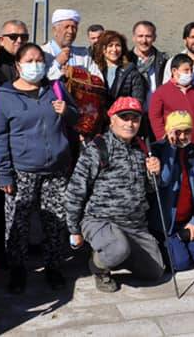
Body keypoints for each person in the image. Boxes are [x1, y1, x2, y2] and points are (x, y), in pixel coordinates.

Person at [0, 43, 78, 293]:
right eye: (29, 61)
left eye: (39, 60)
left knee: (56, 221)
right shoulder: (4, 97)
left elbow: (76, 118)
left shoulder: (55, 88)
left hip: (56, 169)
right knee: (18, 223)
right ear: (18, 65)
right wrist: (3, 173)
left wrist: (67, 111)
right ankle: (18, 270)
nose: (35, 65)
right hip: (22, 171)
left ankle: (54, 267)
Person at [66, 97, 165, 293]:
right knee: (117, 249)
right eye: (124, 118)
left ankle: (116, 253)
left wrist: (154, 174)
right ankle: (99, 266)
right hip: (100, 220)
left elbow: (150, 189)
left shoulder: (142, 148)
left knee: (155, 271)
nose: (130, 123)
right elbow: (75, 190)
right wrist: (73, 229)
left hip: (135, 225)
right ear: (112, 120)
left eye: (135, 119)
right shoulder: (98, 148)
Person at [150, 111, 194, 268]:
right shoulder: (156, 151)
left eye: (187, 131)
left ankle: (182, 239)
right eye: (177, 132)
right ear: (168, 131)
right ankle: (170, 242)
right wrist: (170, 150)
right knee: (181, 263)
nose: (183, 137)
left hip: (188, 219)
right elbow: (163, 180)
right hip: (166, 223)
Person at [148, 54, 194, 143]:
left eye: (191, 70)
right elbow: (155, 117)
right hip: (173, 143)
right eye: (186, 70)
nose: (190, 73)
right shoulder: (161, 92)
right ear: (174, 71)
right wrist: (163, 137)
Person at [93, 30, 147, 108]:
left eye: (117, 45)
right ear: (103, 49)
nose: (114, 49)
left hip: (123, 116)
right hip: (99, 117)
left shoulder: (131, 72)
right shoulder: (95, 70)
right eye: (110, 45)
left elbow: (137, 101)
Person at [43, 9, 101, 81]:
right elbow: (37, 81)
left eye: (74, 27)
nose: (70, 31)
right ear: (55, 30)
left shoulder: (84, 54)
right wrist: (57, 63)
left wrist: (76, 73)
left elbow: (98, 79)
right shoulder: (42, 52)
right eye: (66, 27)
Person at [127, 21, 170, 102]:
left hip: (157, 112)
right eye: (140, 36)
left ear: (154, 38)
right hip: (131, 112)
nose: (144, 40)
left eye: (148, 36)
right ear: (134, 38)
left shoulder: (164, 61)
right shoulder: (125, 61)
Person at [0, 20, 30, 89]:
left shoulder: (34, 62)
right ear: (1, 40)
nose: (19, 40)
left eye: (24, 37)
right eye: (13, 36)